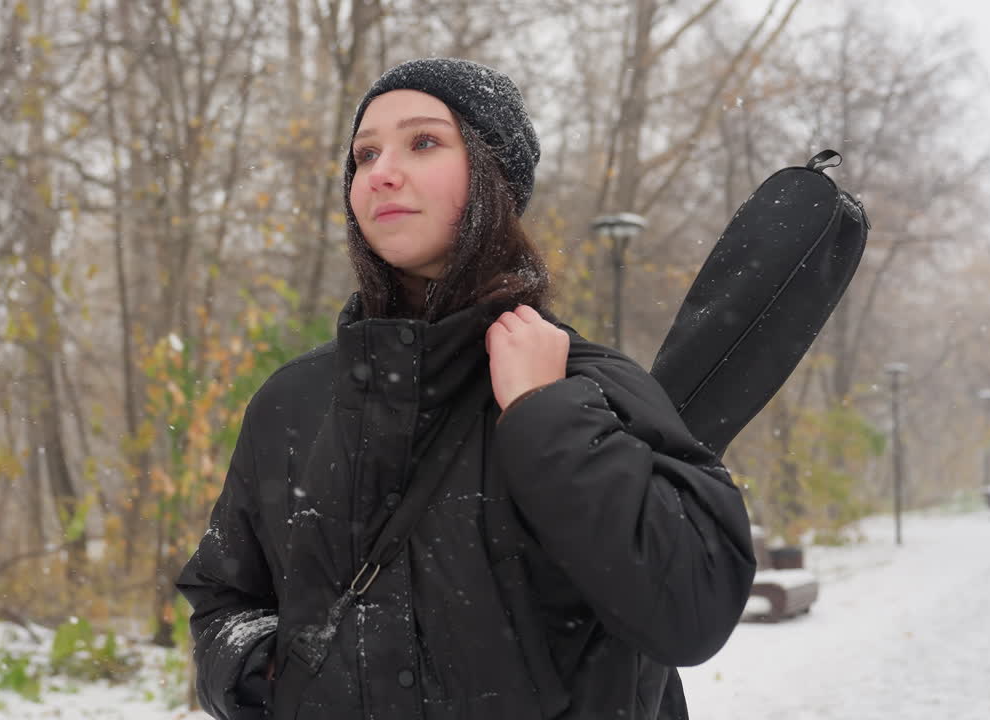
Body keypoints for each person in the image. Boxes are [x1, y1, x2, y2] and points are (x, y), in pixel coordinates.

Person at [177, 57, 756, 720]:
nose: (381, 172)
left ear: (495, 179)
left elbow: (691, 608)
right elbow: (224, 596)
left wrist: (548, 419)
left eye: (423, 142)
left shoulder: (587, 385)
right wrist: (262, 674)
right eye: (365, 155)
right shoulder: (291, 403)